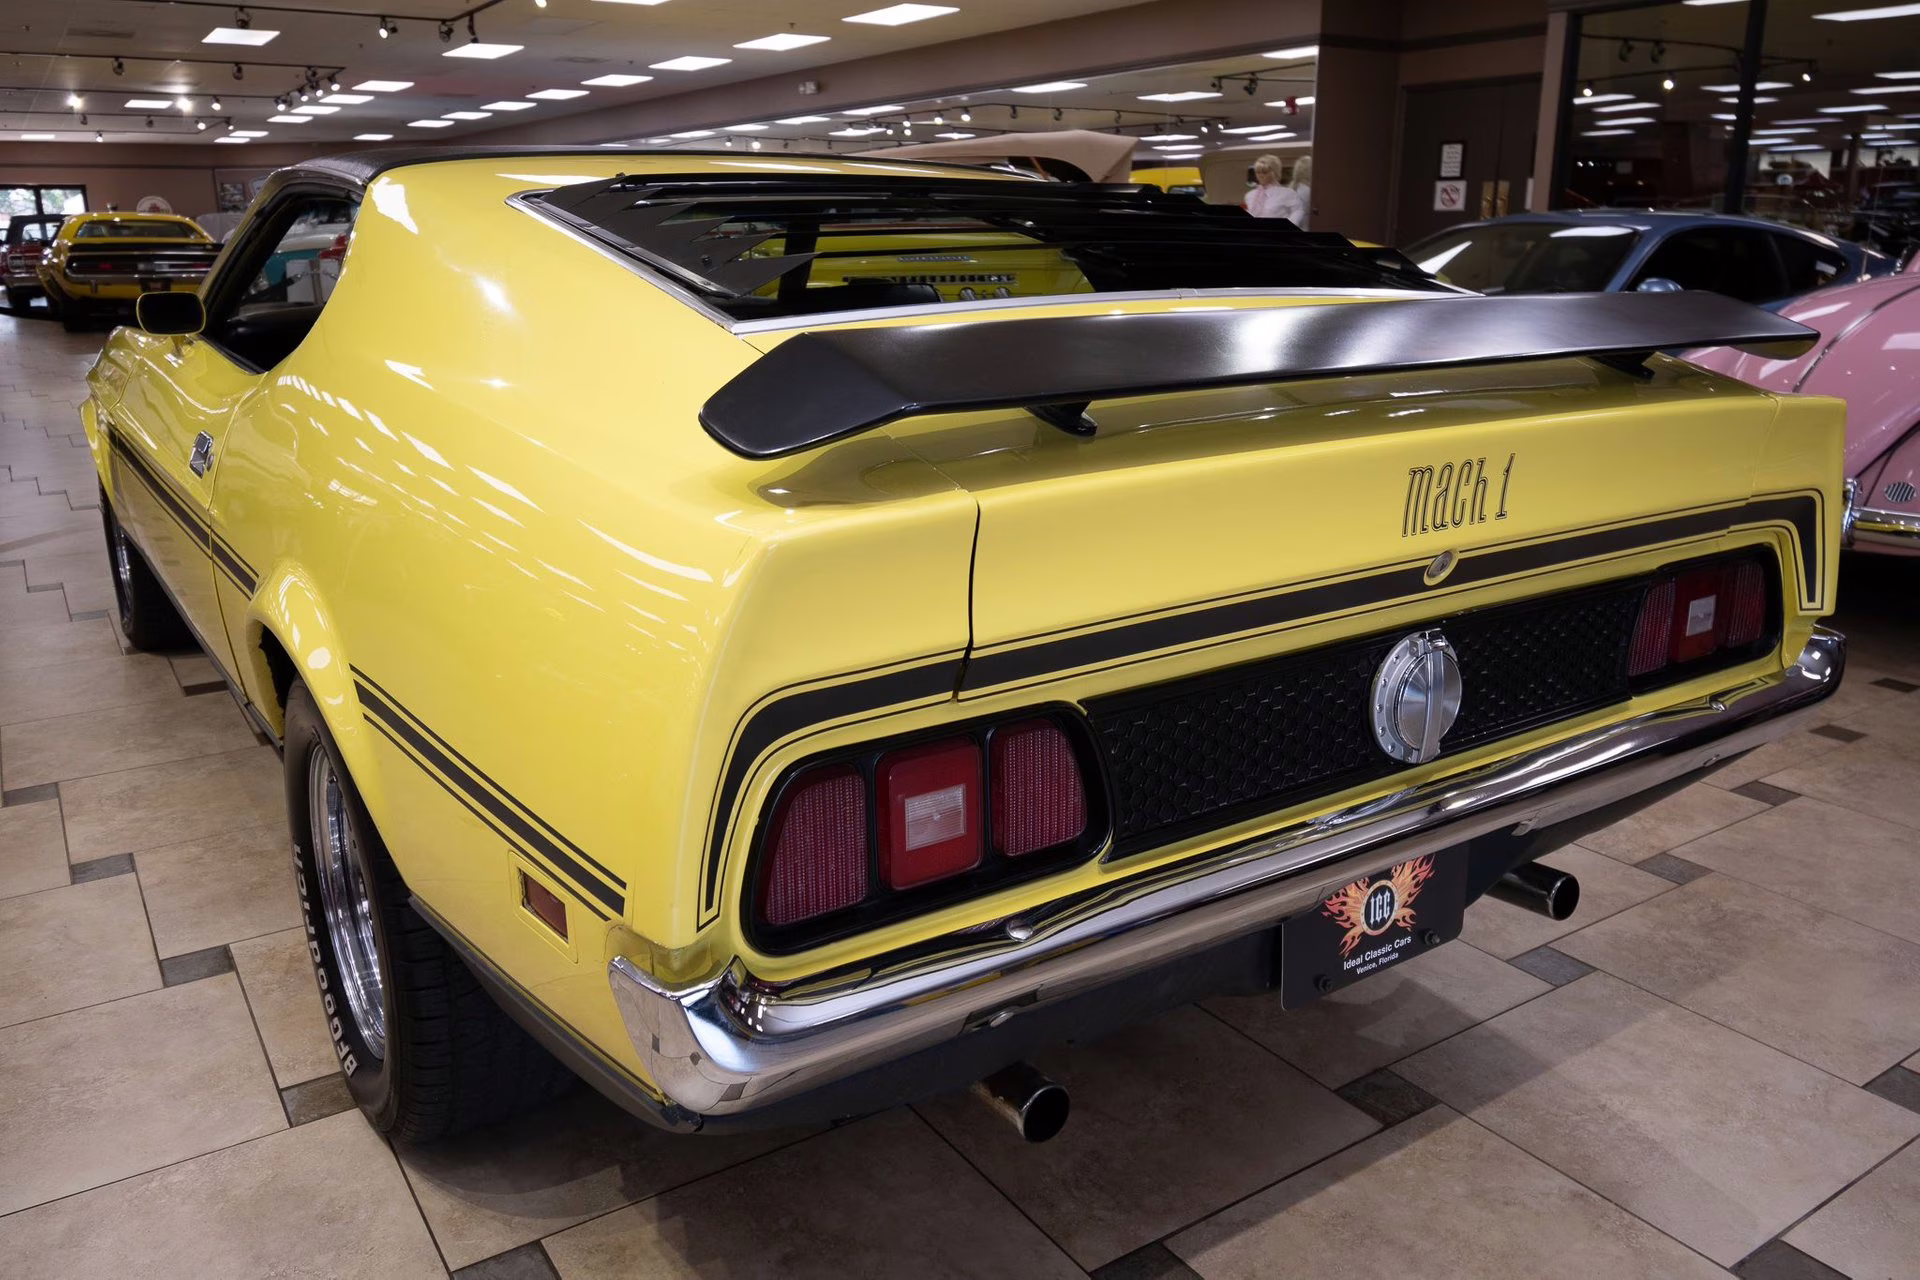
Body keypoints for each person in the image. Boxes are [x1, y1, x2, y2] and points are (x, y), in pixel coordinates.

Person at [1244, 154, 1304, 224]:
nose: (1260, 176)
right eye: (1258, 172)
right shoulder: (1250, 195)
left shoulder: (1287, 193)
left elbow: (1298, 211)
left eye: (1264, 172)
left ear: (1274, 172)